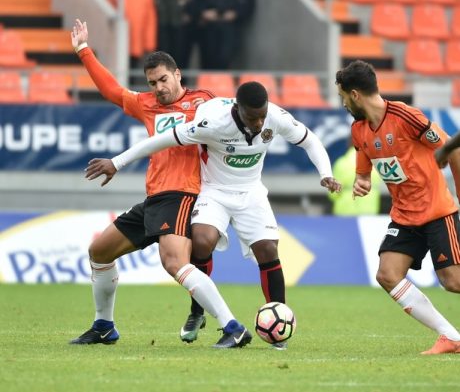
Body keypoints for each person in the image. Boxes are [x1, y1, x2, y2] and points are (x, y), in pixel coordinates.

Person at [84, 81, 342, 349]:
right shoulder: (212, 122)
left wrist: (326, 174)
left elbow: (310, 140)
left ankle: (279, 329)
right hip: (214, 191)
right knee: (202, 240)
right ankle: (197, 312)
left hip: (251, 192)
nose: (259, 123)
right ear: (237, 109)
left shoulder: (274, 117)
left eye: (262, 116)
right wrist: (117, 162)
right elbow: (161, 140)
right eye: (253, 117)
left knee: (267, 250)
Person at [69, 19, 251, 349]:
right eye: (152, 82)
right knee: (100, 251)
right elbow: (112, 91)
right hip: (154, 197)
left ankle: (233, 327)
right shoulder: (147, 104)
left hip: (183, 192)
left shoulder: (204, 102)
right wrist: (84, 51)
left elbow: (235, 122)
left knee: (174, 263)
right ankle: (103, 326)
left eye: (163, 79)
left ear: (178, 74)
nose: (159, 88)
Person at [335, 59, 460, 355]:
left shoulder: (405, 116)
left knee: (453, 281)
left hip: (436, 210)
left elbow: (452, 149)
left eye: (343, 97)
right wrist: (361, 183)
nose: (343, 104)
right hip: (404, 215)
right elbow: (364, 172)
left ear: (355, 95)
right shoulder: (359, 130)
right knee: (387, 274)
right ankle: (450, 336)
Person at [328, 143, 381, 216]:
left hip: (344, 213)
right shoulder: (374, 163)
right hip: (369, 213)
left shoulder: (342, 163)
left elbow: (333, 194)